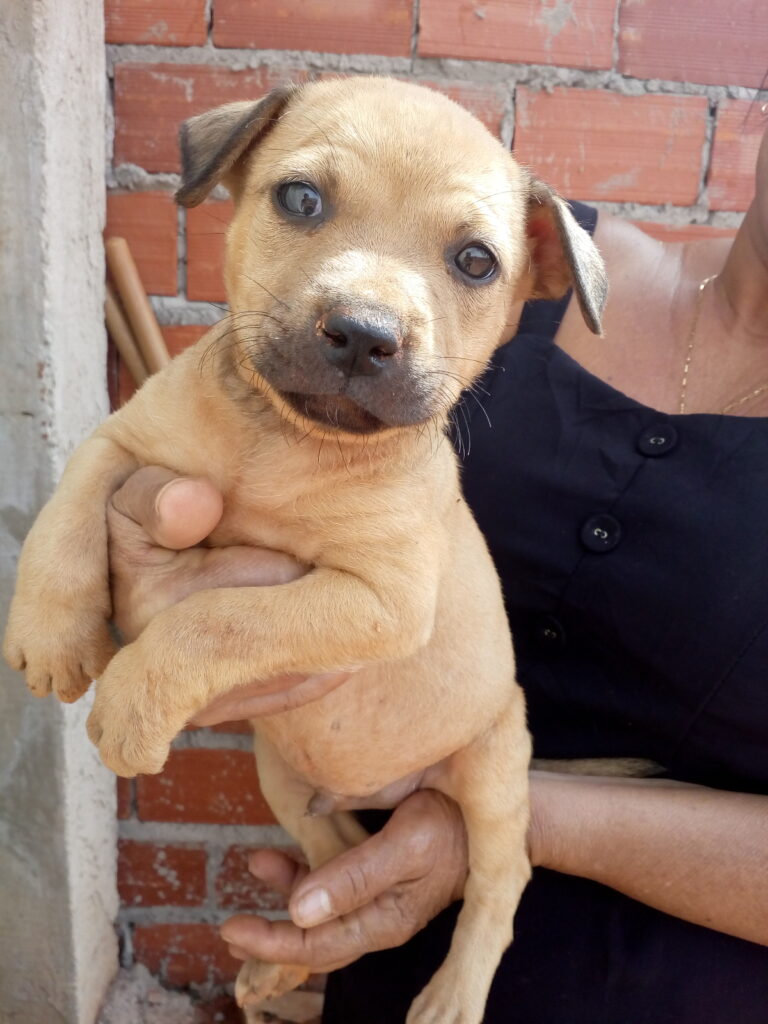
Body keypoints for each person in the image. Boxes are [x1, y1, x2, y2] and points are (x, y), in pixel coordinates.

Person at [105, 118, 768, 1023]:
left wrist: (480, 825)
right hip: (392, 961)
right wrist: (163, 555)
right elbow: (239, 465)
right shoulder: (490, 247)